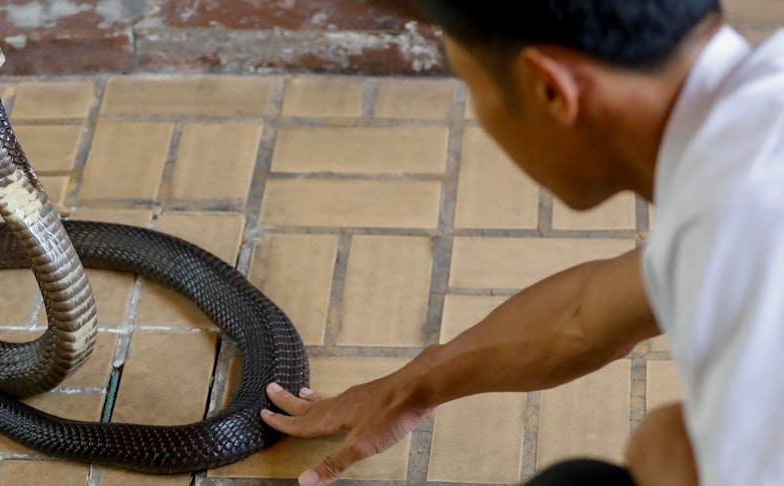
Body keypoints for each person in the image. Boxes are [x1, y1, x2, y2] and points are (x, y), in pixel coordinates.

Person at [260, 1, 784, 485]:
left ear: (550, 89)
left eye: (470, 84)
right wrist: (409, 389)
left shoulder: (739, 232)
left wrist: (663, 449)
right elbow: (583, 317)